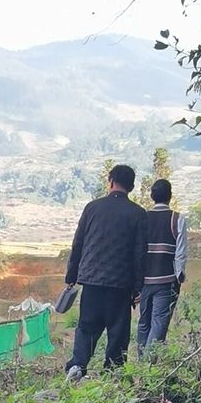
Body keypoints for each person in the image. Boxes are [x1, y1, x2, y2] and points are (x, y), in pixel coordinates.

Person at [64, 164, 148, 382]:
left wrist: (71, 277)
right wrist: (138, 287)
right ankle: (114, 374)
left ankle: (78, 366)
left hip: (91, 280)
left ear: (110, 181)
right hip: (120, 284)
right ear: (131, 186)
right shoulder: (138, 214)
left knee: (86, 327)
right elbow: (140, 253)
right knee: (118, 331)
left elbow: (78, 244)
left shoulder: (92, 208)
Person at [137, 178, 188, 354]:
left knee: (144, 322)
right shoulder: (177, 219)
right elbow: (180, 252)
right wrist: (179, 276)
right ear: (170, 196)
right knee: (159, 321)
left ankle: (141, 361)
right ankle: (148, 364)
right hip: (166, 280)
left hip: (143, 280)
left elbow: (136, 249)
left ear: (152, 196)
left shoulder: (142, 217)